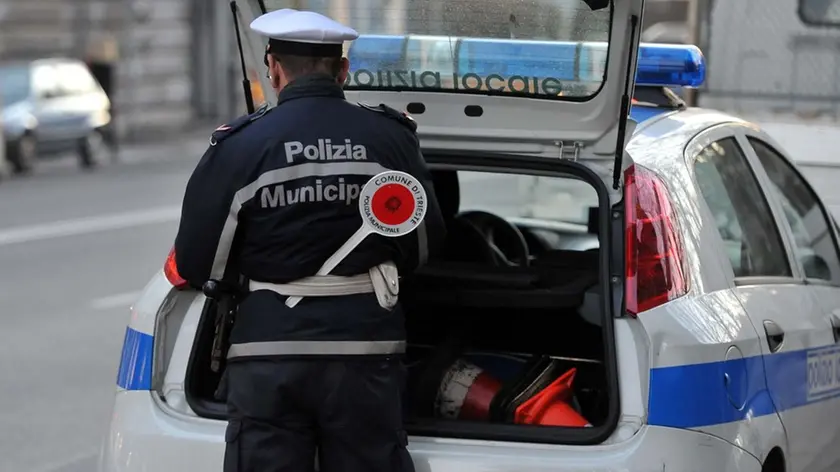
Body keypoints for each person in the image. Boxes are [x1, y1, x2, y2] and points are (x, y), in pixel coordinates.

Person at [171, 8, 446, 472]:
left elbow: (200, 264)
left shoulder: (241, 145)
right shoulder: (391, 140)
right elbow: (421, 247)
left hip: (267, 353)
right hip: (365, 351)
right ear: (343, 70)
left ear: (274, 70)